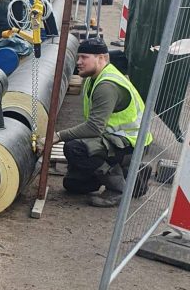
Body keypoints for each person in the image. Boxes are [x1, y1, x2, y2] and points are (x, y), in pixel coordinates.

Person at [54, 37, 152, 207]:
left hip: (131, 144)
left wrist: (57, 136)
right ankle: (134, 177)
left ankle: (117, 189)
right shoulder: (94, 77)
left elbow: (94, 127)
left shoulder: (107, 86)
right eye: (78, 57)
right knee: (73, 185)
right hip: (114, 140)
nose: (79, 62)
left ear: (101, 58)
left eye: (84, 57)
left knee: (75, 148)